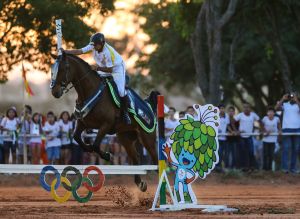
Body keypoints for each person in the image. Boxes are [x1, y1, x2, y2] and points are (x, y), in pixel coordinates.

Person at [61, 32, 131, 125]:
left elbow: (110, 70)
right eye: (93, 45)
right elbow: (80, 51)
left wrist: (97, 68)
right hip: (103, 67)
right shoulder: (93, 45)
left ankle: (125, 113)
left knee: (121, 91)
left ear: (102, 44)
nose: (94, 47)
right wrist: (66, 52)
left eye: (96, 45)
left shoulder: (108, 52)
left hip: (116, 69)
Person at [275, 93, 300, 173]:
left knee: (295, 149)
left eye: (294, 96)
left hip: (297, 129)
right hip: (286, 129)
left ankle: (293, 169)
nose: (292, 97)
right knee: (286, 148)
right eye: (291, 96)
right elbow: (276, 108)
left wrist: (296, 100)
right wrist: (283, 98)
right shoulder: (285, 104)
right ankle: (284, 168)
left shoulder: (298, 105)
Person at [234, 103, 260, 171]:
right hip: (242, 137)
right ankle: (243, 167)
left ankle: (252, 167)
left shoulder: (253, 115)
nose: (246, 108)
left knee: (251, 152)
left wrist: (263, 130)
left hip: (250, 136)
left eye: (247, 107)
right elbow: (233, 121)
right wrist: (236, 130)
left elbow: (260, 121)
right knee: (242, 152)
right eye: (244, 107)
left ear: (250, 108)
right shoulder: (240, 115)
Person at [217, 104, 230, 170]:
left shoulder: (227, 116)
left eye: (223, 108)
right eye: (221, 108)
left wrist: (231, 131)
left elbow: (228, 126)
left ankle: (226, 167)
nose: (222, 110)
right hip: (218, 138)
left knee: (226, 153)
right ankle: (218, 167)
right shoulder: (215, 117)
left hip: (225, 138)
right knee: (219, 153)